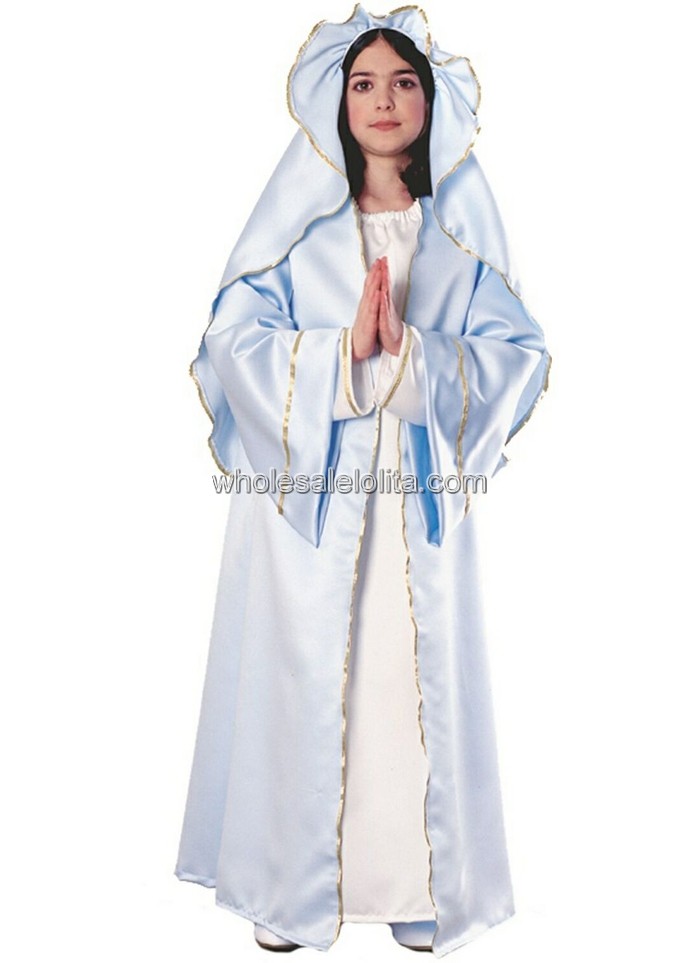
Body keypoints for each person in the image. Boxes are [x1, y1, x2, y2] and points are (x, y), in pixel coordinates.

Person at [175, 6, 550, 958]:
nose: (385, 100)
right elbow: (231, 342)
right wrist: (337, 354)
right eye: (365, 83)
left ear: (430, 101)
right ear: (338, 103)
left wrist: (415, 356)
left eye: (405, 82)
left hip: (416, 492)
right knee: (302, 674)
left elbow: (516, 354)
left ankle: (418, 878)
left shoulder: (458, 225)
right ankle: (287, 882)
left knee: (406, 681)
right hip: (311, 492)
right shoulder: (299, 225)